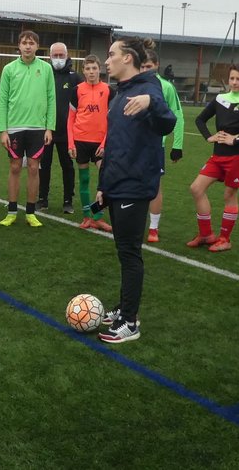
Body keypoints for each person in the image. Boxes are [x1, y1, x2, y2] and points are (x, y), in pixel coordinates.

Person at [94, 36, 176, 343]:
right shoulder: (120, 93)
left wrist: (152, 103)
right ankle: (123, 308)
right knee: (123, 250)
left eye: (111, 54)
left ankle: (130, 322)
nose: (107, 60)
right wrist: (105, 187)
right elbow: (116, 144)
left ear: (127, 58)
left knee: (130, 253)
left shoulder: (149, 87)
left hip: (136, 184)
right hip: (118, 183)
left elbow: (168, 122)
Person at [187, 63, 239, 253]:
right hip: (217, 156)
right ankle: (206, 235)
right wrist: (209, 137)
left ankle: (225, 239)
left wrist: (236, 139)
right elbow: (200, 119)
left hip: (237, 157)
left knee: (229, 195)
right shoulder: (220, 99)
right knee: (196, 188)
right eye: (232, 78)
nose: (235, 82)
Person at [0, 30, 55, 228]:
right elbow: (2, 100)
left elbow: (51, 99)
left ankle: (31, 213)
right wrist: (3, 130)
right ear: (19, 46)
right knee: (14, 167)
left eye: (31, 43)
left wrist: (50, 128)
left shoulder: (46, 69)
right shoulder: (9, 69)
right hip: (14, 127)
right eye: (24, 43)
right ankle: (12, 211)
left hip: (38, 127)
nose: (28, 46)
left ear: (37, 46)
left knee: (33, 168)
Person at [141, 51, 185, 243]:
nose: (145, 70)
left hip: (155, 146)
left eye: (148, 67)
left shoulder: (166, 87)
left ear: (156, 65)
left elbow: (178, 115)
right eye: (142, 67)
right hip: (135, 146)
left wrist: (177, 145)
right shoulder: (134, 85)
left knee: (155, 186)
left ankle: (153, 228)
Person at [66, 54, 113, 232]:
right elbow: (70, 119)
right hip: (80, 140)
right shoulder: (77, 90)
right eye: (88, 68)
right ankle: (87, 217)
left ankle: (98, 216)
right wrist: (71, 143)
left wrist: (104, 143)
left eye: (94, 68)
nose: (91, 72)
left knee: (105, 179)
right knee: (84, 180)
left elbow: (112, 120)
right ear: (83, 71)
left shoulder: (109, 90)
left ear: (99, 69)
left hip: (100, 142)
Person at [38, 42, 80, 213]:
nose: (57, 59)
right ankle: (42, 199)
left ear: (67, 55)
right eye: (54, 56)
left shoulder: (75, 77)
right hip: (46, 130)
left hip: (67, 132)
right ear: (49, 57)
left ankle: (68, 200)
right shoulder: (44, 75)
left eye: (60, 55)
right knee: (43, 165)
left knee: (67, 166)